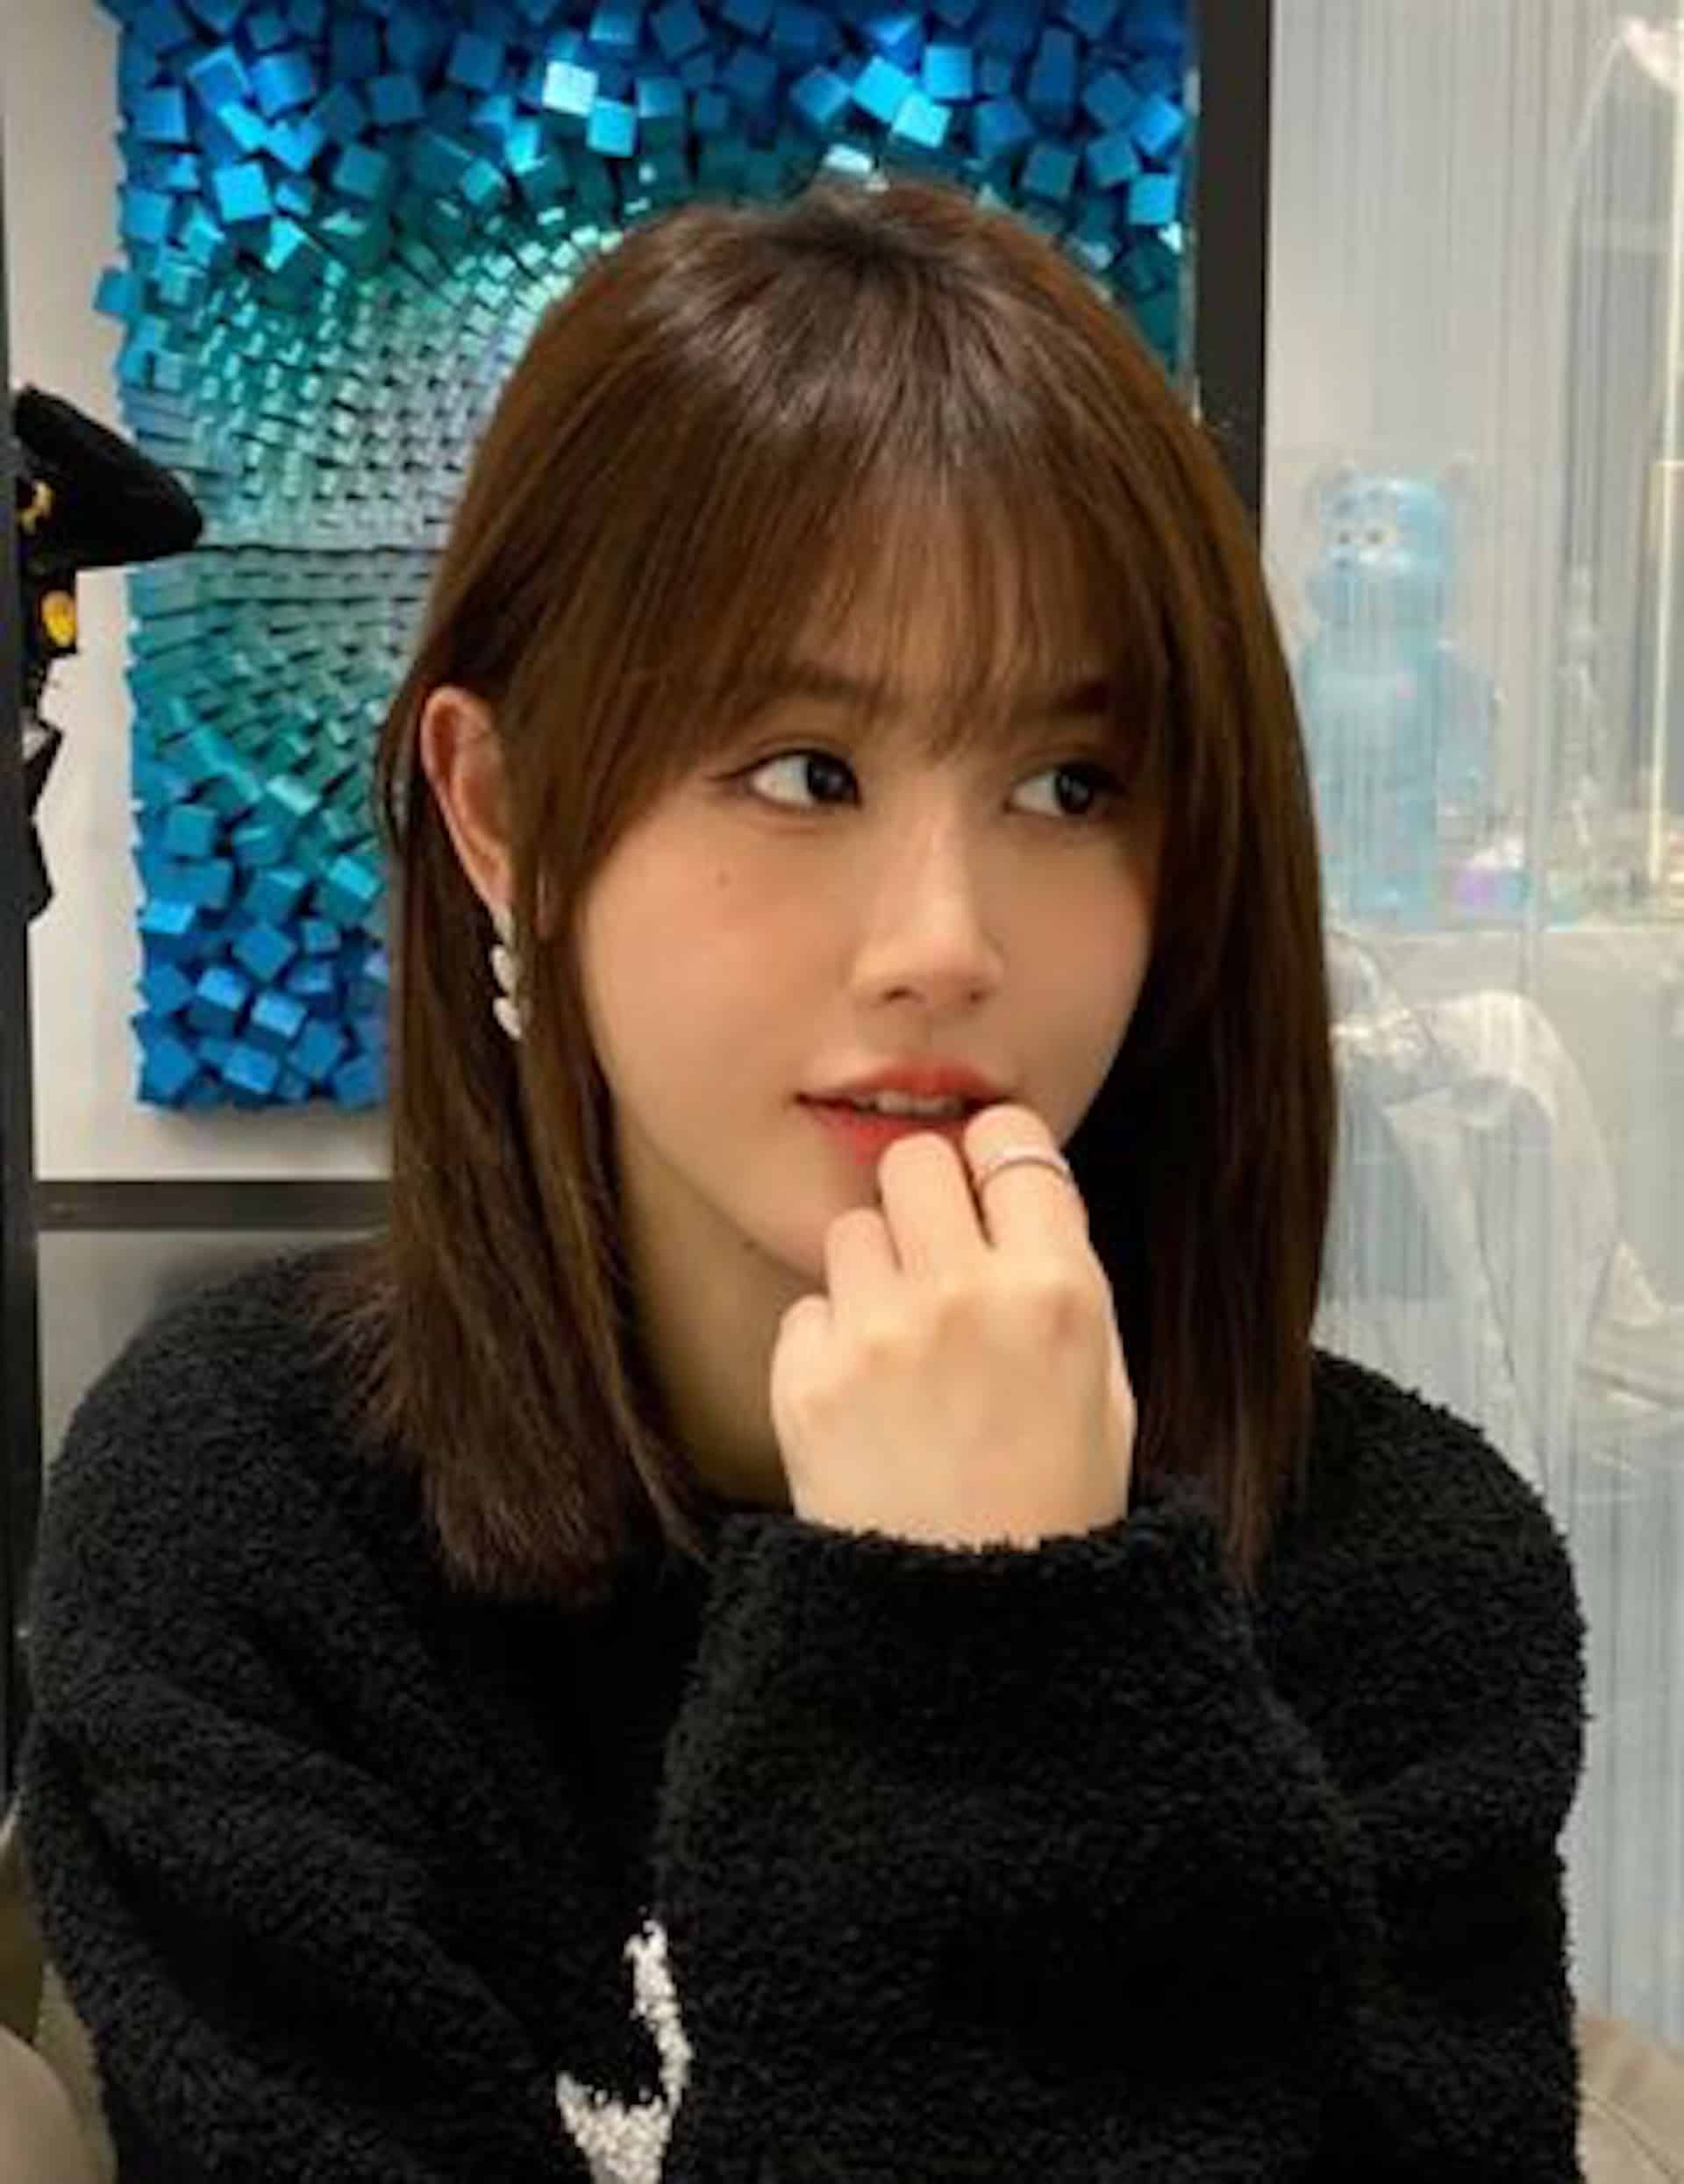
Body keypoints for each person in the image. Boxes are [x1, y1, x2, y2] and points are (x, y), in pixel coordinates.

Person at [16, 176, 1588, 2181]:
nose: (944, 941)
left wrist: (998, 1650)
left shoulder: (1395, 1576)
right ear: (502, 815)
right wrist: (946, 1658)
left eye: (1069, 786)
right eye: (803, 772)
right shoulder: (252, 1519)